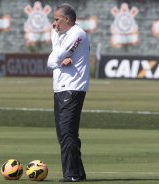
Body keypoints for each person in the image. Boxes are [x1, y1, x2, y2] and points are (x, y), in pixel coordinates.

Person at [47, 3, 90, 183]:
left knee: (67, 133)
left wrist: (57, 60)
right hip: (61, 88)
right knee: (64, 133)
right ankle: (77, 173)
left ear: (66, 19)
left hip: (72, 88)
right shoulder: (63, 35)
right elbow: (53, 61)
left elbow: (53, 59)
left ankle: (71, 174)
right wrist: (54, 34)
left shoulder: (76, 34)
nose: (54, 23)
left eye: (56, 20)